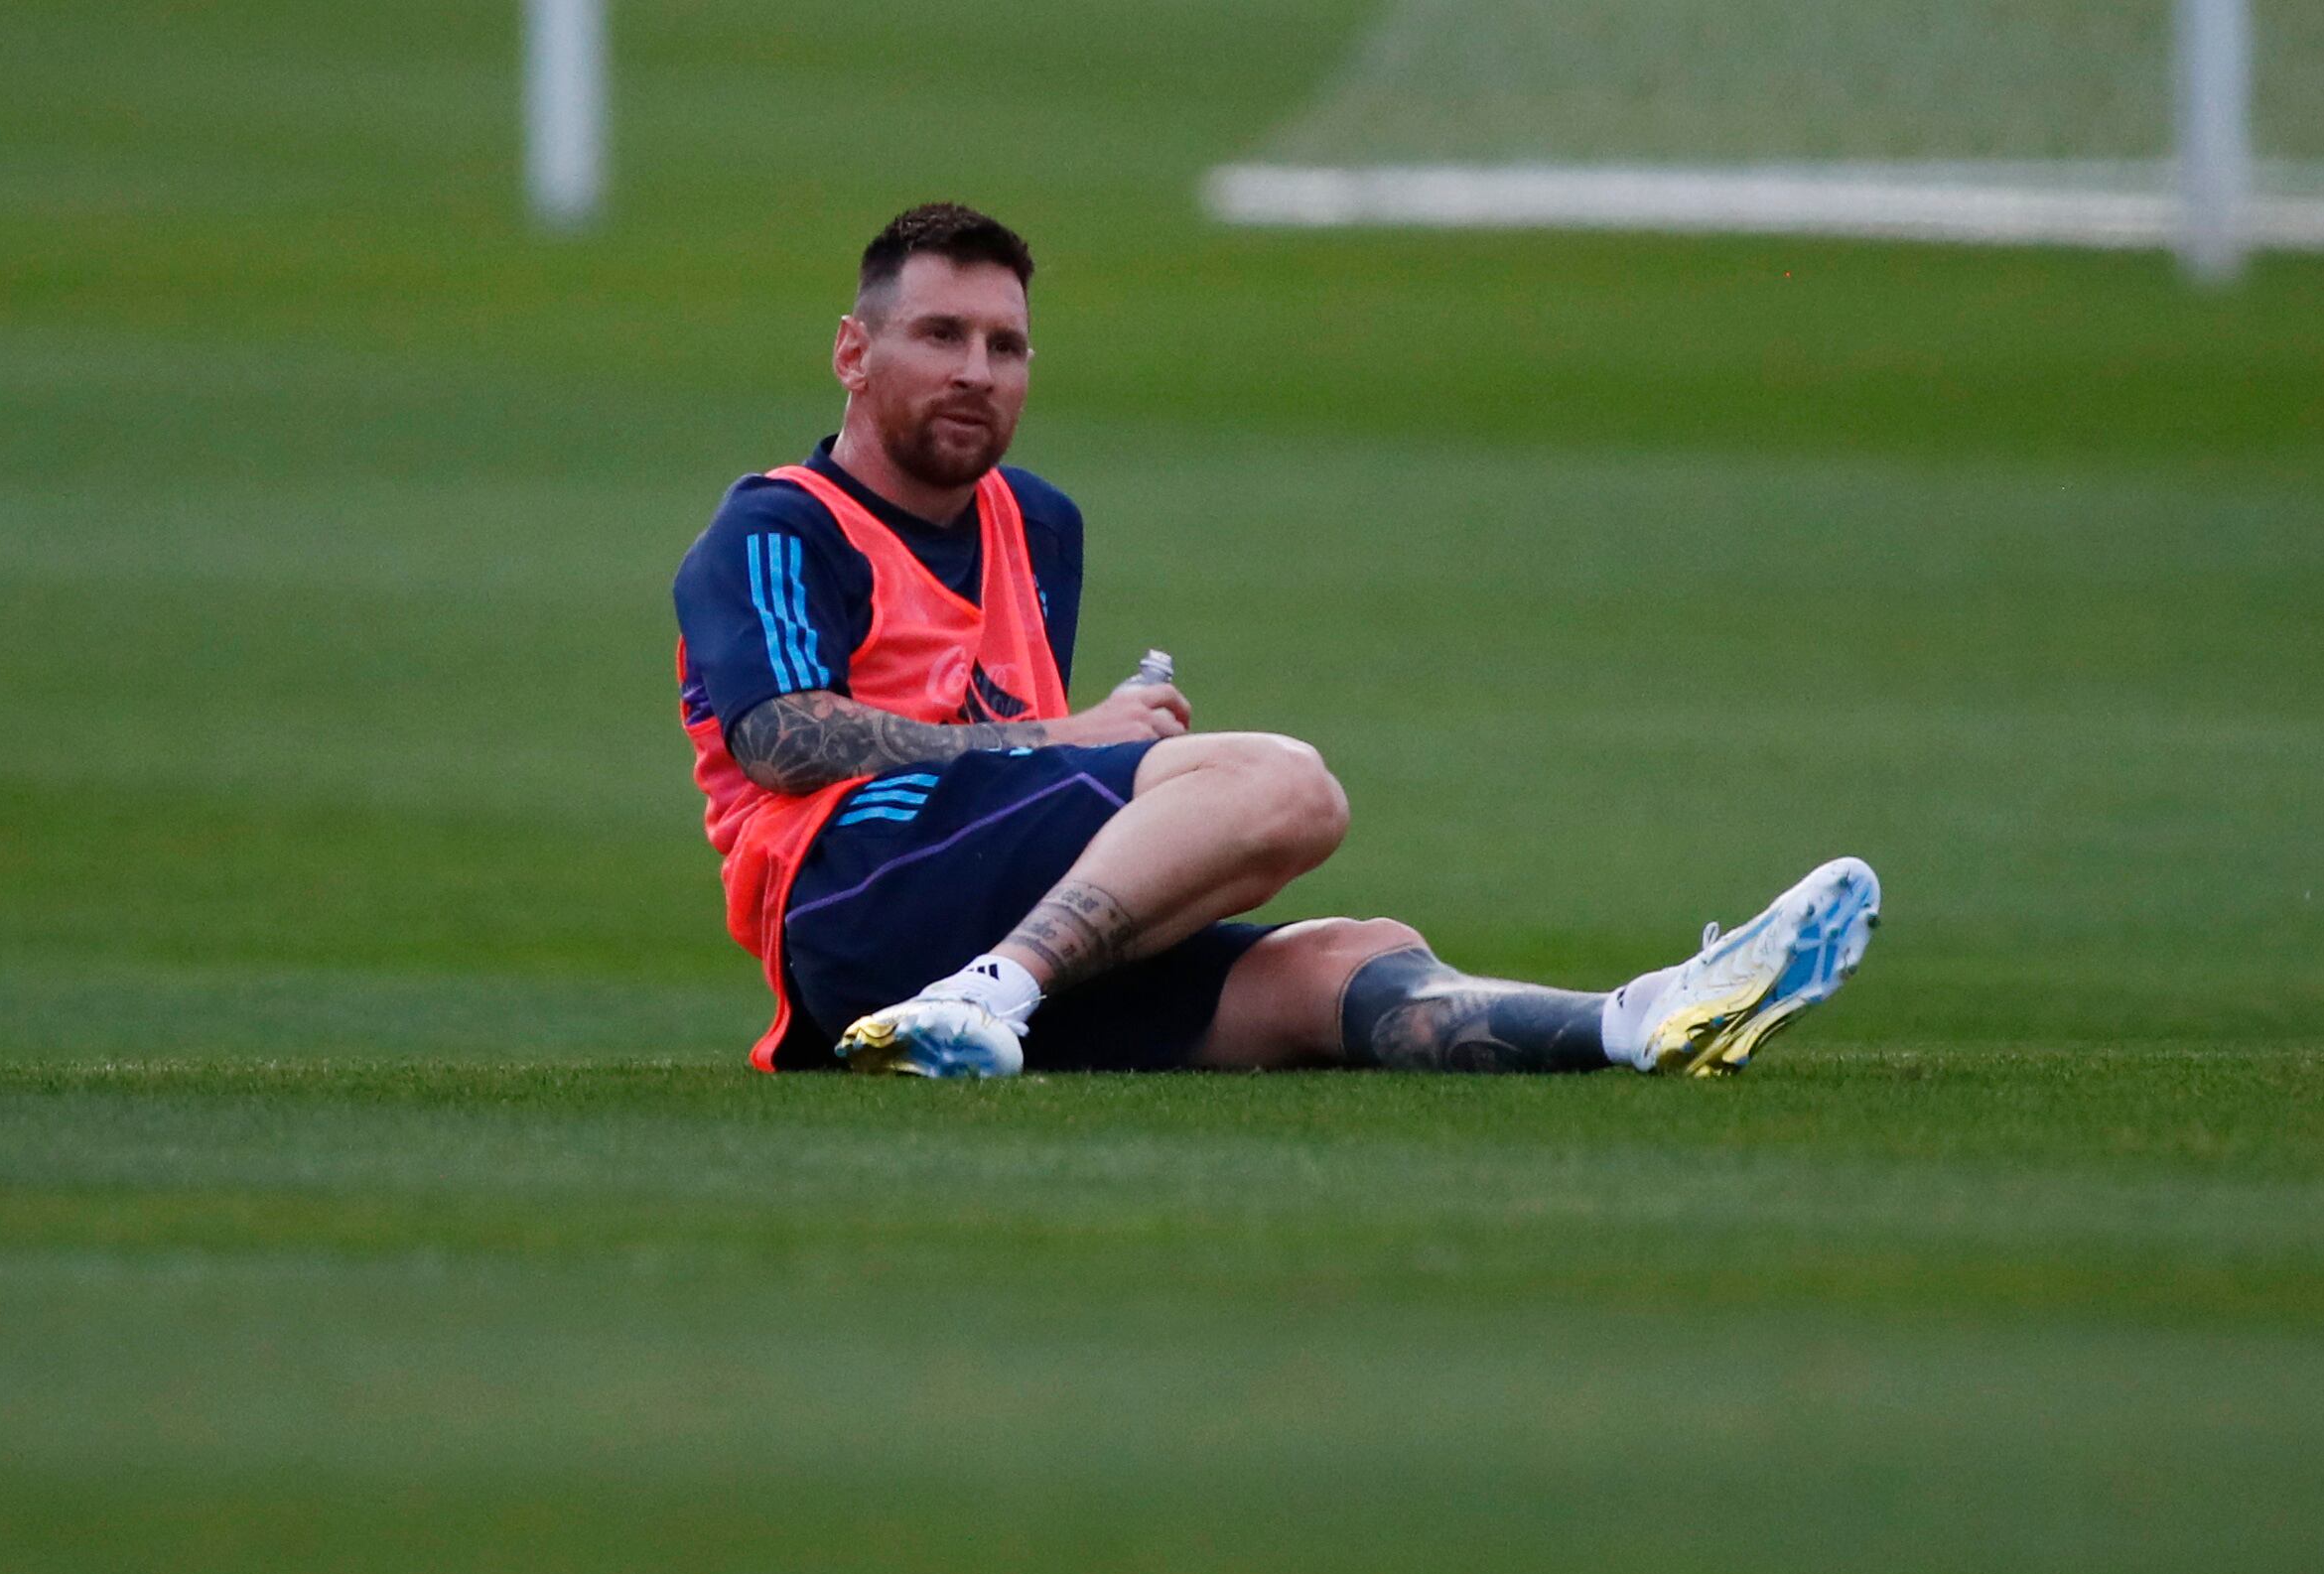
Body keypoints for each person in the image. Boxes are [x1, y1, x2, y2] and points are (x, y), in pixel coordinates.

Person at [673, 202, 1879, 1079]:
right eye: (940, 336)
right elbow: (783, 739)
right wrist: (1070, 740)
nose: (978, 371)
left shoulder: (1037, 523)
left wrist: (1067, 764)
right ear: (853, 352)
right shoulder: (782, 523)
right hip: (849, 903)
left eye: (1007, 346)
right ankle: (990, 995)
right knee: (1280, 786)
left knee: (1351, 960)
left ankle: (1644, 1017)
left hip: (973, 921)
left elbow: (1019, 767)